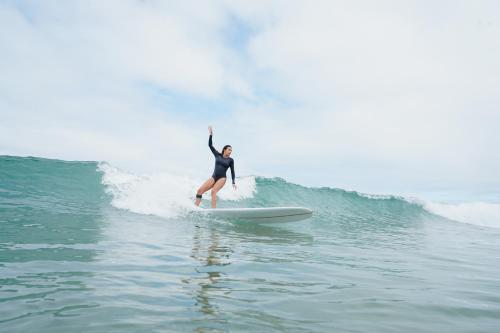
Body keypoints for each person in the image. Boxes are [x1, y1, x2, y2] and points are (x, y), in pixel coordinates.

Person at [195, 126, 236, 208]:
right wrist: (210, 135)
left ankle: (214, 210)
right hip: (214, 177)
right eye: (229, 149)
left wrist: (233, 182)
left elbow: (232, 171)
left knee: (213, 191)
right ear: (224, 149)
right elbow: (210, 145)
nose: (230, 151)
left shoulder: (231, 160)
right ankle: (196, 207)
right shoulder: (217, 155)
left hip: (222, 178)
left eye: (231, 150)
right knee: (199, 191)